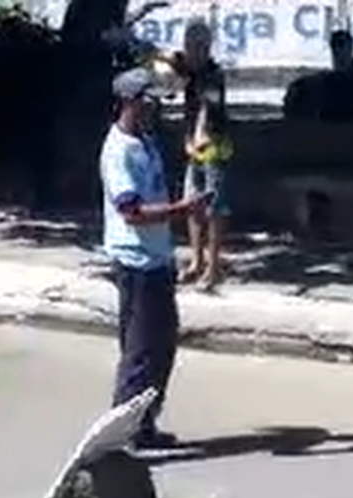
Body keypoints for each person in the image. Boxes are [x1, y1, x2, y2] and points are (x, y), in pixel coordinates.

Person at [100, 67, 211, 450]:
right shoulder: (119, 152)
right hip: (135, 264)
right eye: (149, 102)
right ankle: (119, 437)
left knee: (161, 346)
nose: (156, 109)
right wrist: (182, 208)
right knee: (141, 351)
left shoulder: (145, 141)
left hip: (156, 259)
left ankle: (143, 425)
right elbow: (131, 212)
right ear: (130, 102)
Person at [175, 20, 234, 291]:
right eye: (187, 46)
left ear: (205, 48)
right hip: (194, 148)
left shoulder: (213, 75)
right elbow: (172, 66)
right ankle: (196, 261)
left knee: (214, 208)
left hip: (214, 147)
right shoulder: (191, 72)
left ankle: (213, 267)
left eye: (195, 47)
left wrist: (198, 139)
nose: (189, 52)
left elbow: (208, 111)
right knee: (192, 204)